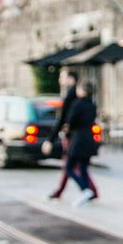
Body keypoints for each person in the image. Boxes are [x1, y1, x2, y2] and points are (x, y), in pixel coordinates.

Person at [44, 69, 79, 200]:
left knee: (70, 165)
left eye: (62, 76)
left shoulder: (71, 95)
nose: (59, 80)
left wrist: (50, 140)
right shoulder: (74, 94)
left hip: (73, 136)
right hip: (75, 136)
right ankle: (60, 191)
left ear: (70, 78)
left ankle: (89, 190)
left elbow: (63, 118)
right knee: (73, 166)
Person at [62, 81, 99, 204]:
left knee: (69, 167)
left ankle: (84, 189)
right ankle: (85, 192)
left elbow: (71, 121)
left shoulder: (77, 104)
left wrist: (67, 129)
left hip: (78, 138)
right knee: (83, 167)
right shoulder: (92, 104)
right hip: (89, 138)